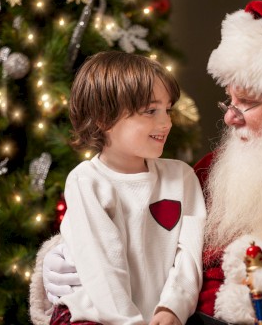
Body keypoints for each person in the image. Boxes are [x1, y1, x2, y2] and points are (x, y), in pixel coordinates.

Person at [31, 1, 262, 325]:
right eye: (228, 100)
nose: (230, 118)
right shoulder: (214, 169)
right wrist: (63, 254)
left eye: (247, 102)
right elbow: (132, 233)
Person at [29, 51, 207, 325]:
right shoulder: (87, 181)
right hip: (97, 318)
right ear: (104, 118)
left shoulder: (182, 177)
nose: (166, 122)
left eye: (167, 109)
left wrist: (173, 307)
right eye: (150, 111)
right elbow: (103, 271)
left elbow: (190, 254)